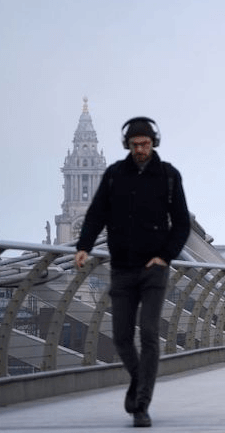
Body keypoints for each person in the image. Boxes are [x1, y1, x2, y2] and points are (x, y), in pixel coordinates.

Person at [75, 117, 191, 428]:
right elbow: (97, 212)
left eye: (145, 144)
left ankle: (142, 404)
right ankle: (140, 380)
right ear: (127, 144)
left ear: (154, 143)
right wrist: (84, 245)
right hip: (122, 268)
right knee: (122, 337)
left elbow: (182, 222)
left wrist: (165, 256)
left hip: (154, 270)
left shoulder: (168, 176)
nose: (140, 149)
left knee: (150, 334)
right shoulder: (114, 175)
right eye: (135, 144)